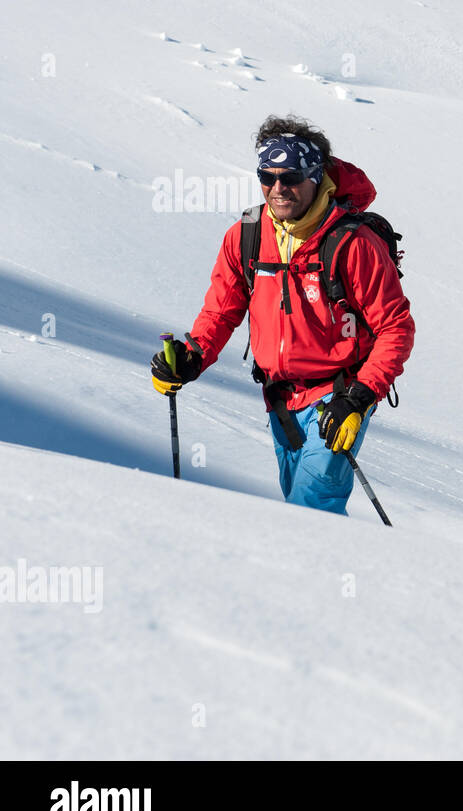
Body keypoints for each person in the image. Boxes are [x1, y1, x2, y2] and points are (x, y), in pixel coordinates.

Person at [150, 115, 415, 514]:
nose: (277, 188)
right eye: (267, 177)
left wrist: (360, 398)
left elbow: (395, 328)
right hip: (279, 398)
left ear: (314, 175)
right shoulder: (246, 235)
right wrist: (193, 356)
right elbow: (221, 311)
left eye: (289, 176)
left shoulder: (352, 242)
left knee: (312, 507)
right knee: (295, 508)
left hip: (338, 396)